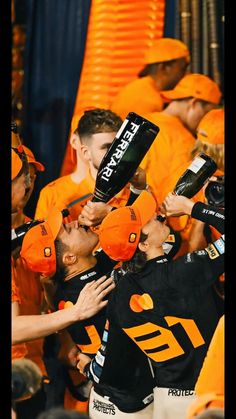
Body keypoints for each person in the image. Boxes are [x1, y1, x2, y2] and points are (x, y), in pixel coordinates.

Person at [77, 190, 224, 419]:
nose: (156, 216)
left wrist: (88, 368)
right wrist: (192, 209)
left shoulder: (119, 295)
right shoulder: (183, 272)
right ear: (143, 246)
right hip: (206, 394)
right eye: (149, 220)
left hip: (164, 402)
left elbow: (109, 358)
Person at [20, 204, 156, 418]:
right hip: (130, 403)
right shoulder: (92, 292)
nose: (74, 223)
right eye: (66, 230)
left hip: (114, 396)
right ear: (70, 259)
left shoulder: (85, 273)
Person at [140, 73, 222, 255]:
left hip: (136, 231)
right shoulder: (184, 143)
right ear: (194, 103)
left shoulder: (143, 122)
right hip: (169, 244)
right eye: (208, 112)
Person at [35, 109, 143, 222]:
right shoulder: (59, 197)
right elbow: (43, 239)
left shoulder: (137, 190)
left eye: (119, 147)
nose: (115, 154)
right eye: (106, 147)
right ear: (86, 152)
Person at [110, 38, 190, 119]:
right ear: (164, 67)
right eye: (182, 69)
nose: (186, 75)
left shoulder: (143, 89)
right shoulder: (146, 99)